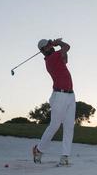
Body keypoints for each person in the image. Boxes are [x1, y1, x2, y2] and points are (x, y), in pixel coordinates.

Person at [33, 38, 76, 166]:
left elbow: (65, 59)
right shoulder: (51, 59)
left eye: (50, 44)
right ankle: (38, 150)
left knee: (69, 127)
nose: (50, 47)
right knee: (55, 125)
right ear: (43, 51)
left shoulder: (56, 56)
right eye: (47, 46)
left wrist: (55, 45)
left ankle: (64, 157)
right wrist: (58, 43)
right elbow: (67, 46)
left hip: (70, 95)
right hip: (59, 96)